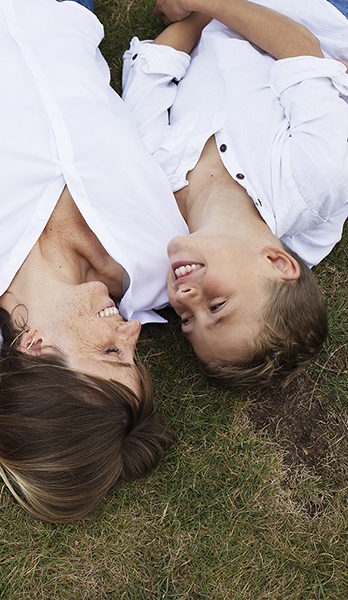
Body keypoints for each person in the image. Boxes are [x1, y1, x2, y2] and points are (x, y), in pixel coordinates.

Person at [0, 0, 184, 521]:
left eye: (111, 353)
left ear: (34, 347)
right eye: (133, 354)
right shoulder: (163, 256)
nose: (133, 333)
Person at [122, 0, 348, 386]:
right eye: (217, 306)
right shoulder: (309, 184)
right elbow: (298, 46)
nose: (184, 298)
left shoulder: (155, 190)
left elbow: (154, 72)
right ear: (278, 263)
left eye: (187, 320)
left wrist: (199, 17)